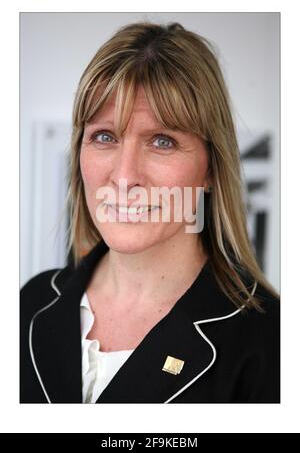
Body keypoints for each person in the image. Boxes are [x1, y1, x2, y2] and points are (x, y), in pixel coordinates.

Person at [20, 21, 280, 404]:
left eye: (162, 141)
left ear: (210, 168)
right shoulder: (31, 303)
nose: (125, 177)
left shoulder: (270, 342)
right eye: (104, 136)